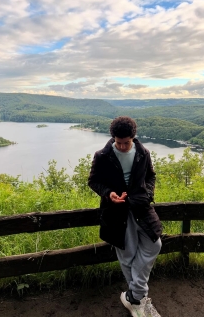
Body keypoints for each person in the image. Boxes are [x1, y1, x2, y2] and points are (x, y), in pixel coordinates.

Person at [88, 116, 162, 317]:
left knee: (154, 245)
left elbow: (150, 176)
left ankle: (133, 295)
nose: (121, 146)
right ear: (113, 138)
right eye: (118, 142)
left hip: (141, 208)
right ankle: (138, 300)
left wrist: (147, 195)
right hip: (116, 213)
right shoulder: (103, 156)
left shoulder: (142, 152)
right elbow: (94, 181)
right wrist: (108, 193)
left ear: (133, 137)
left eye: (126, 142)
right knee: (127, 254)